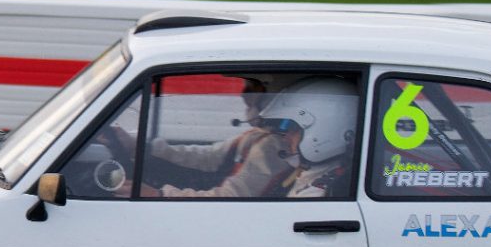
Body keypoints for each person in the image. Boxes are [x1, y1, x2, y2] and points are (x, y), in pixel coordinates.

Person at [138, 77, 358, 199]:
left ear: (324, 131)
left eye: (291, 128)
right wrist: (141, 147)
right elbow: (211, 156)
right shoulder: (308, 173)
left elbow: (232, 198)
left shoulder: (317, 191)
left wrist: (160, 195)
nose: (285, 136)